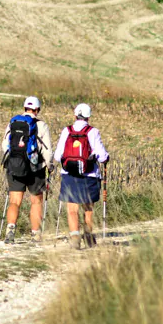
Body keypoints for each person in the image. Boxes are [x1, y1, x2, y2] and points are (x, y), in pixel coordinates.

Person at [52, 103, 109, 249]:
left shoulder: (66, 131)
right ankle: (88, 236)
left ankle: (75, 237)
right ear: (89, 117)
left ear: (75, 115)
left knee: (72, 208)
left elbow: (57, 156)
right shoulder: (93, 132)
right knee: (88, 208)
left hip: (69, 174)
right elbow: (102, 157)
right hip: (89, 174)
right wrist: (106, 158)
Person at [1, 96, 53, 245]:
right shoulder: (41, 125)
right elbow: (47, 151)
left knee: (15, 201)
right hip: (35, 168)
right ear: (37, 110)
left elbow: (5, 145)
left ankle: (10, 231)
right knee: (36, 202)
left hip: (15, 166)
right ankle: (35, 235)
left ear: (24, 108)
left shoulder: (13, 122)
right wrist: (49, 166)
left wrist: (13, 160)